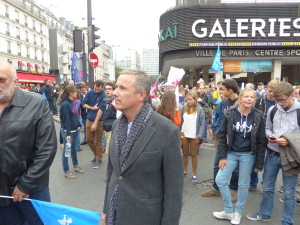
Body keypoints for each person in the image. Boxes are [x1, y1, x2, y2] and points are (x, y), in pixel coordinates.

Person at [102, 68, 183, 225]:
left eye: (122, 88)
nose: (114, 93)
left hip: (146, 217)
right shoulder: (117, 124)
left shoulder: (166, 130)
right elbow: (112, 173)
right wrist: (105, 211)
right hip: (115, 214)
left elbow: (174, 190)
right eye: (116, 87)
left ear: (141, 95)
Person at [0, 61, 57, 224]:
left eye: (1, 79)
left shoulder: (36, 103)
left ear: (16, 82)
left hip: (32, 189)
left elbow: (47, 149)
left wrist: (26, 184)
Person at [247, 82, 300, 225]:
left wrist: (289, 141)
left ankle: (287, 222)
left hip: (291, 157)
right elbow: (268, 127)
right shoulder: (273, 109)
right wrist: (270, 135)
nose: (280, 103)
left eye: (283, 100)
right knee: (268, 187)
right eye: (277, 100)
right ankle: (265, 214)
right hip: (272, 154)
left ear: (292, 95)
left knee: (289, 193)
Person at [213, 88, 266, 225]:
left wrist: (259, 164)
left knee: (243, 185)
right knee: (220, 179)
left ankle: (238, 213)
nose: (249, 99)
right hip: (231, 153)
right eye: (246, 96)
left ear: (254, 100)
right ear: (240, 99)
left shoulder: (258, 116)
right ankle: (228, 210)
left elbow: (261, 141)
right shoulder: (230, 114)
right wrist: (223, 156)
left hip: (247, 155)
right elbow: (223, 136)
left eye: (252, 97)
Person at [201, 79, 240, 203]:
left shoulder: (241, 103)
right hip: (223, 139)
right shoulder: (224, 102)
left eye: (222, 89)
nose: (220, 92)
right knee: (217, 163)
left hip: (237, 140)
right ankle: (216, 189)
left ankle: (233, 190)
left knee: (235, 167)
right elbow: (219, 117)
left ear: (230, 90)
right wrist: (212, 127)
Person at [249, 79, 279, 191]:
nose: (271, 94)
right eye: (270, 91)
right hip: (258, 133)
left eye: (274, 92)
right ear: (267, 89)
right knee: (255, 159)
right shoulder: (259, 100)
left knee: (268, 162)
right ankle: (253, 183)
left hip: (272, 134)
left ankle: (263, 184)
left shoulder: (278, 102)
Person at [180, 90, 205, 182]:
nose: (189, 101)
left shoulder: (200, 109)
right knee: (185, 154)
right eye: (187, 100)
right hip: (184, 134)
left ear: (195, 99)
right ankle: (184, 170)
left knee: (194, 154)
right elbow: (180, 122)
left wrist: (199, 136)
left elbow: (202, 124)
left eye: (190, 99)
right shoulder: (183, 108)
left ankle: (194, 173)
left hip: (195, 135)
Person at [60, 85, 84, 178]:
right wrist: (68, 134)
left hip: (75, 130)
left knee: (73, 149)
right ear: (71, 93)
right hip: (68, 132)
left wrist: (78, 124)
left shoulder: (71, 102)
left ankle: (75, 166)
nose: (77, 93)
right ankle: (66, 171)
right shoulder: (65, 104)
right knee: (67, 151)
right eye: (75, 91)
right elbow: (66, 120)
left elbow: (74, 115)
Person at [82, 80, 107, 169]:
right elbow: (83, 104)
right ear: (93, 86)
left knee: (99, 141)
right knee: (89, 139)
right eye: (95, 88)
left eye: (98, 89)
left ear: (102, 87)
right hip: (89, 119)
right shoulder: (89, 92)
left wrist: (95, 123)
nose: (96, 91)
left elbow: (100, 110)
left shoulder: (104, 95)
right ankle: (96, 155)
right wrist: (92, 108)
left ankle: (98, 159)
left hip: (99, 121)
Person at [102, 82, 120, 157]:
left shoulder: (116, 101)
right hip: (106, 128)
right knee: (109, 154)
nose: (107, 91)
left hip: (113, 129)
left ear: (114, 90)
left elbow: (119, 116)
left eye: (109, 89)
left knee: (109, 153)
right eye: (106, 89)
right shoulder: (106, 100)